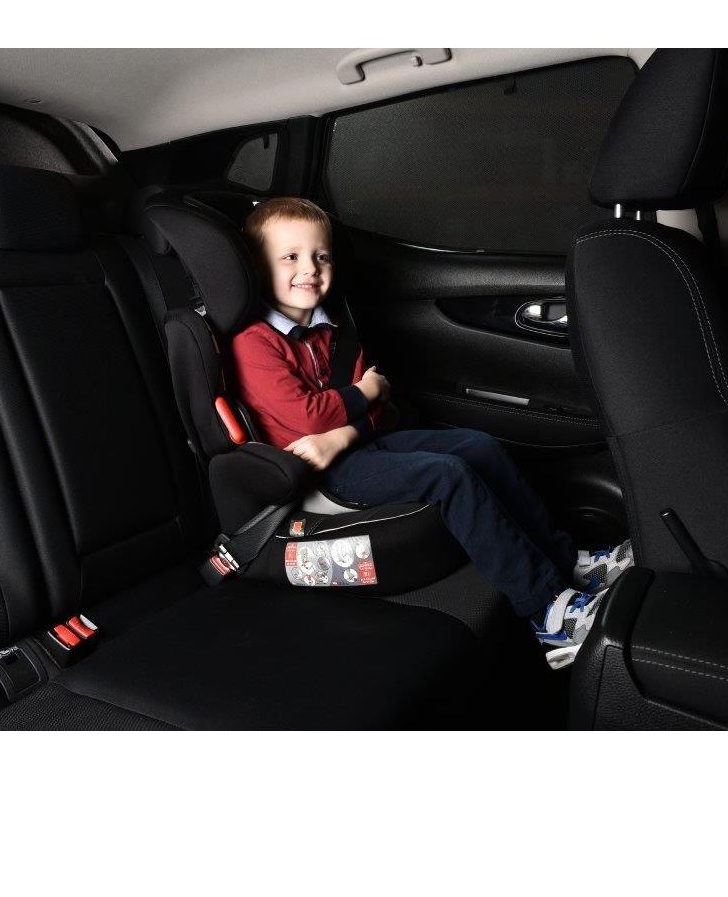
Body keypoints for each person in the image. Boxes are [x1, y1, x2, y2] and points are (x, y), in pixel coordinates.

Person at [229, 197, 632, 668]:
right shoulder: (253, 343)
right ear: (257, 268)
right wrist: (363, 395)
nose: (310, 269)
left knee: (478, 446)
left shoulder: (332, 329)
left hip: (352, 447)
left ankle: (567, 559)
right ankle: (547, 611)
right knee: (448, 475)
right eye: (290, 257)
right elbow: (311, 418)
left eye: (321, 256)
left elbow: (381, 412)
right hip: (317, 475)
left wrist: (346, 431)